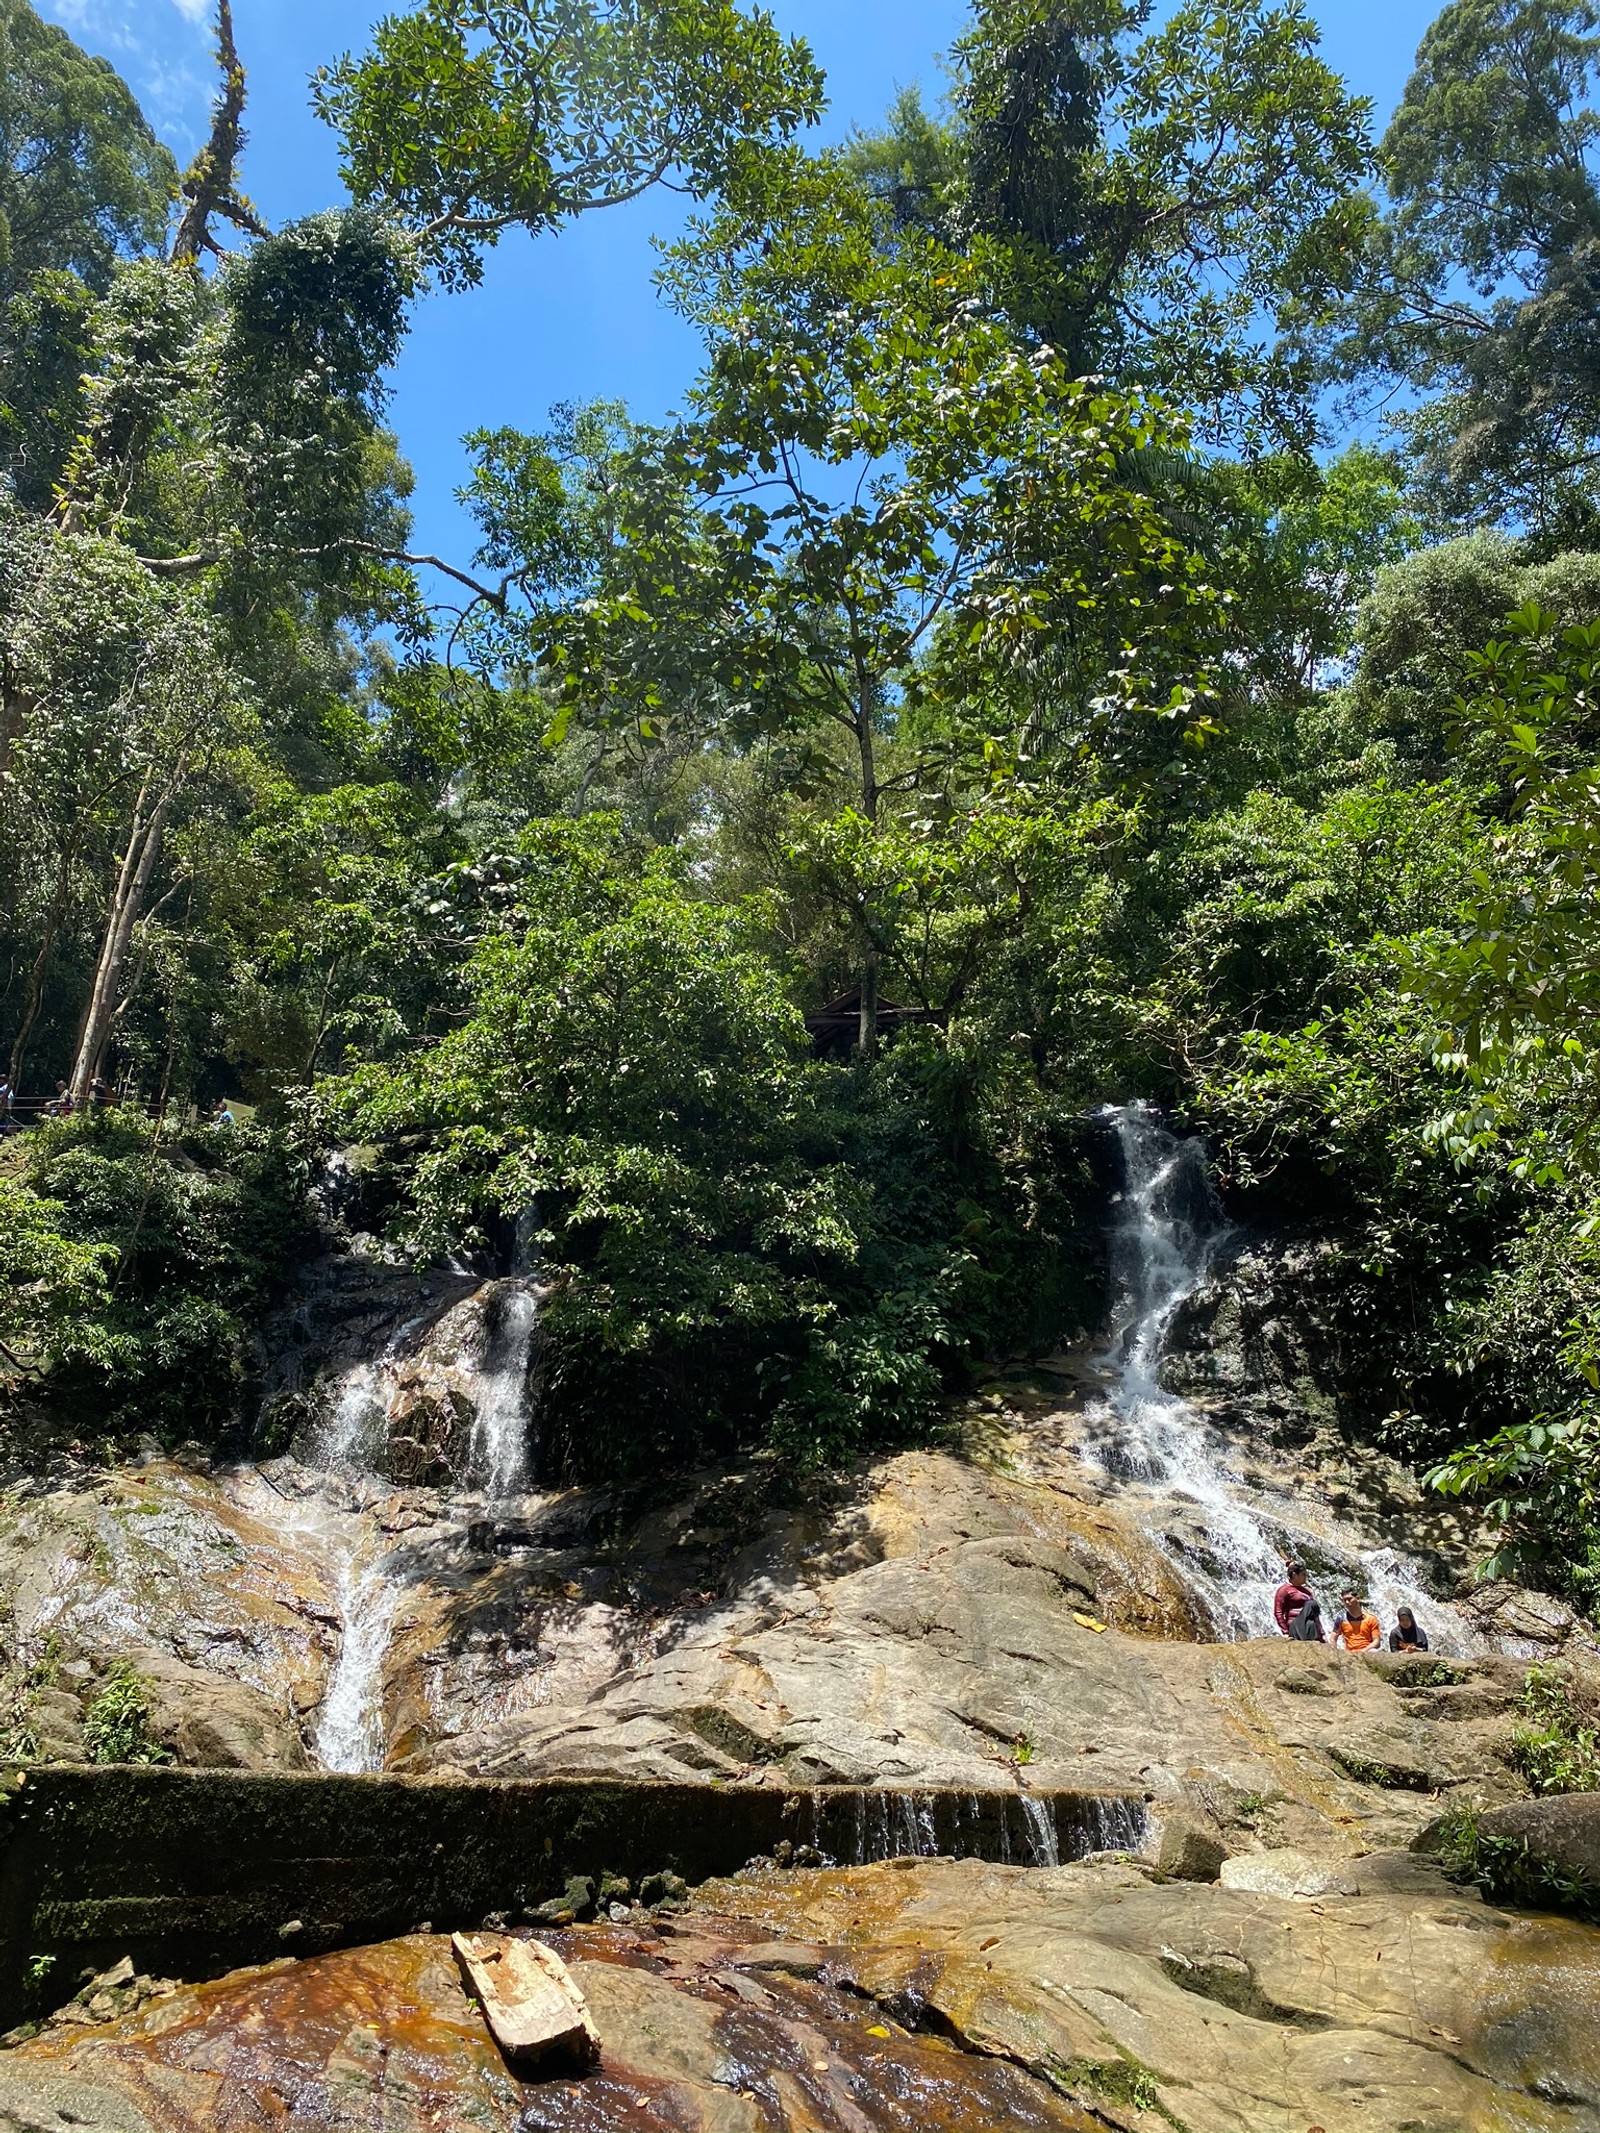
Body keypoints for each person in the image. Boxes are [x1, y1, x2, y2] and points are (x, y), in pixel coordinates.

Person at [1273, 1561, 1314, 1635]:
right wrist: (1285, 1632)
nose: (1306, 1577)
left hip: (1310, 1627)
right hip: (1295, 1627)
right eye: (1303, 1574)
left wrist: (1321, 1634)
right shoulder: (1284, 1590)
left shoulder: (1307, 1592)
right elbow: (1278, 1612)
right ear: (1294, 1575)